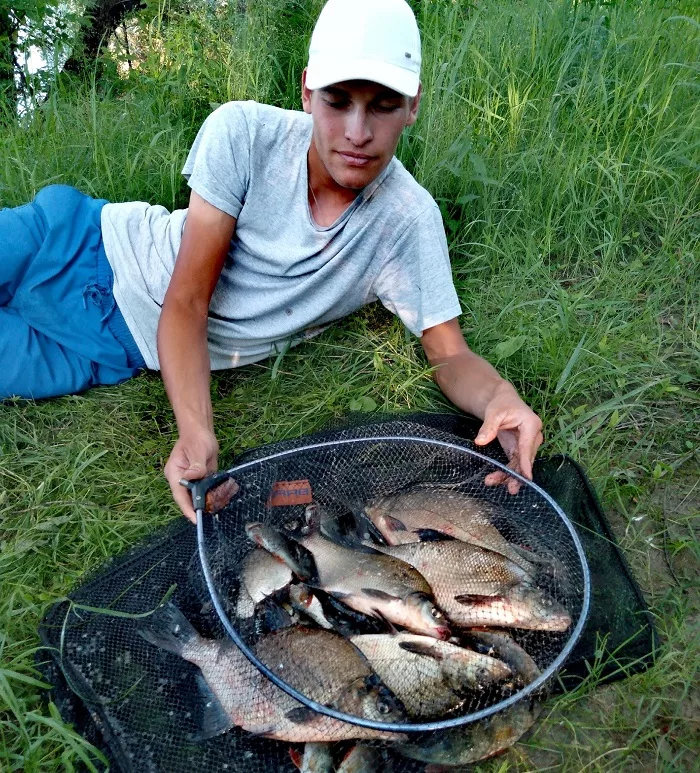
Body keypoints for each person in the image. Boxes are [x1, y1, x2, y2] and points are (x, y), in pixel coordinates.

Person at [0, 0, 543, 521]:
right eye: (337, 101)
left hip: (113, 350)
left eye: (382, 105)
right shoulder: (244, 134)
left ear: (413, 106)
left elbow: (449, 354)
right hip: (79, 242)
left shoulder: (408, 221)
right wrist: (197, 429)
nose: (357, 133)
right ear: (307, 92)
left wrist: (500, 397)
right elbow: (187, 299)